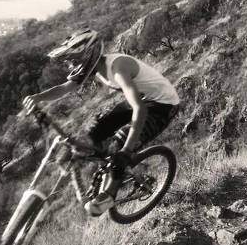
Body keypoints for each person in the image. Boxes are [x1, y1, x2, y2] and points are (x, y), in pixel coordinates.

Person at [23, 29, 180, 216]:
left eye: (73, 59)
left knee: (118, 145)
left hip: (163, 105)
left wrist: (126, 150)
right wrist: (37, 97)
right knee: (92, 136)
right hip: (143, 98)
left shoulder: (117, 68)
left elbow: (140, 110)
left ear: (88, 55)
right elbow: (64, 88)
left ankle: (109, 195)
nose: (70, 65)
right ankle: (109, 166)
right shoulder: (95, 67)